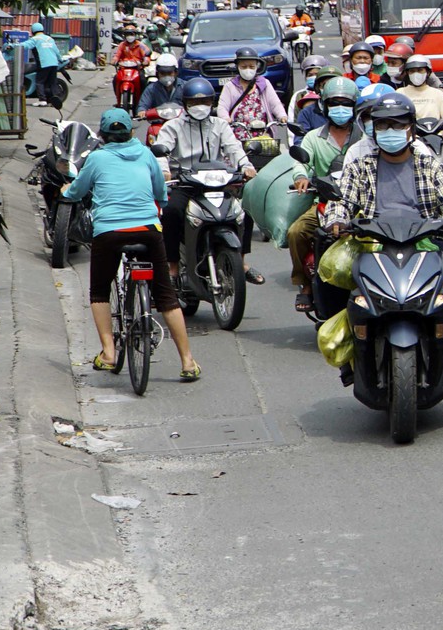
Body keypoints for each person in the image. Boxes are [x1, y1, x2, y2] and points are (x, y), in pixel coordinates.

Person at [63, 108, 201, 381]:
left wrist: (64, 191)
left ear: (103, 135)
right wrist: (158, 205)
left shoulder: (97, 158)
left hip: (109, 232)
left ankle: (108, 352)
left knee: (100, 291)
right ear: (130, 133)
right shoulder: (147, 154)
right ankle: (187, 361)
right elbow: (160, 191)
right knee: (166, 298)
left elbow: (77, 191)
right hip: (148, 231)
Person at [322, 92, 443, 300]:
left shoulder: (430, 165)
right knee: (328, 277)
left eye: (398, 125)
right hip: (372, 244)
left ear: (412, 130)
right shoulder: (359, 167)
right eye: (382, 125)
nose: (390, 131)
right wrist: (337, 219)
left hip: (426, 243)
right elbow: (341, 201)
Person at [155, 78, 259, 285]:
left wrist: (246, 165)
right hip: (184, 182)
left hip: (216, 181)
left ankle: (241, 261)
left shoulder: (220, 125)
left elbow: (234, 148)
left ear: (212, 103)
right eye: (194, 103)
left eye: (204, 102)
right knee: (171, 212)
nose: (200, 107)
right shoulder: (172, 127)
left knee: (244, 212)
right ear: (185, 104)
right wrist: (164, 171)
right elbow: (161, 152)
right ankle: (173, 265)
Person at [286, 76, 362, 313]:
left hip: (361, 203)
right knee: (296, 232)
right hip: (325, 202)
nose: (340, 109)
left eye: (345, 103)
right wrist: (301, 177)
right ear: (325, 106)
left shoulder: (367, 138)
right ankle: (305, 284)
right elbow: (301, 163)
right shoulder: (312, 137)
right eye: (334, 103)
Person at [217, 46, 287, 143]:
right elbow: (222, 107)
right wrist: (226, 118)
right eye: (244, 67)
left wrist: (282, 116)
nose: (248, 70)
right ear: (238, 67)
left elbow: (275, 103)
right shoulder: (230, 86)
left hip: (262, 134)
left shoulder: (264, 84)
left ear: (257, 67)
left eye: (251, 67)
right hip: (239, 135)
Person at [395, 53, 443, 121]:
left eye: (420, 70)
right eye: (412, 71)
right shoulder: (400, 93)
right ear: (408, 73)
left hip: (434, 131)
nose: (416, 74)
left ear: (428, 72)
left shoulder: (437, 94)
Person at [26, 21, 62, 105]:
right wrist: (60, 59)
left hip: (44, 64)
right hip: (54, 64)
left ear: (33, 31)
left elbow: (24, 45)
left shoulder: (34, 39)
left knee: (39, 82)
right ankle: (56, 101)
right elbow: (57, 52)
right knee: (52, 82)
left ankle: (42, 100)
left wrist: (12, 46)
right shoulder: (50, 39)